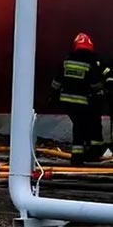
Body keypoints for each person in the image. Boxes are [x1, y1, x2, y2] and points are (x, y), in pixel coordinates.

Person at [50, 33, 106, 165]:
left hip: (67, 101)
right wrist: (101, 88)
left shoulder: (67, 60)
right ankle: (81, 156)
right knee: (84, 126)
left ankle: (80, 155)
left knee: (79, 126)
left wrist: (53, 94)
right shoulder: (90, 62)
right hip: (83, 101)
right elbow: (94, 84)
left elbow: (57, 81)